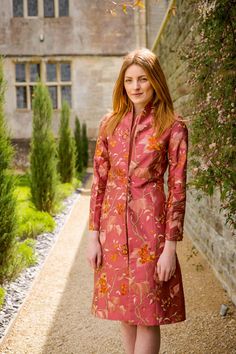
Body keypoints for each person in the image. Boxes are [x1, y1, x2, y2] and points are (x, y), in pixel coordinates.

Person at [87, 47, 188, 354]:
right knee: (125, 315)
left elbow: (179, 189)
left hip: (151, 232)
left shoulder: (173, 126)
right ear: (122, 83)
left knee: (147, 314)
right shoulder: (109, 124)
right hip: (114, 230)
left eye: (142, 79)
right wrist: (94, 236)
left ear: (155, 80)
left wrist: (170, 247)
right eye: (129, 80)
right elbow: (98, 181)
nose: (135, 87)